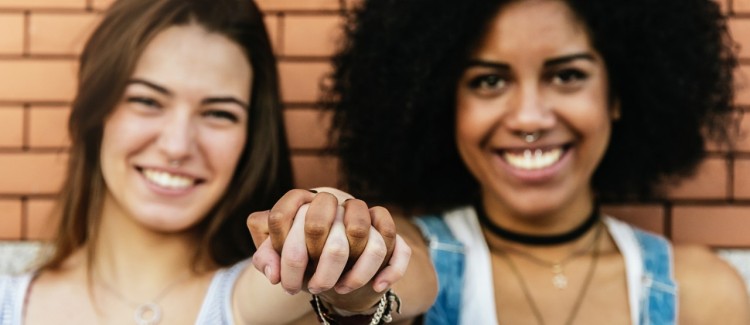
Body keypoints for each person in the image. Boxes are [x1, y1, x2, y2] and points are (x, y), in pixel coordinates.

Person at [312, 0, 749, 324]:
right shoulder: (415, 252)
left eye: (566, 75)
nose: (529, 118)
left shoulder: (702, 292)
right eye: (489, 80)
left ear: (618, 96)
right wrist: (354, 287)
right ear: (446, 105)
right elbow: (389, 279)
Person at [0, 0, 427, 324]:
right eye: (147, 101)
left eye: (218, 113)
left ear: (251, 137)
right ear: (97, 115)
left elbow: (422, 281)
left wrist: (342, 239)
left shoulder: (257, 294)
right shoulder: (9, 298)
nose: (177, 145)